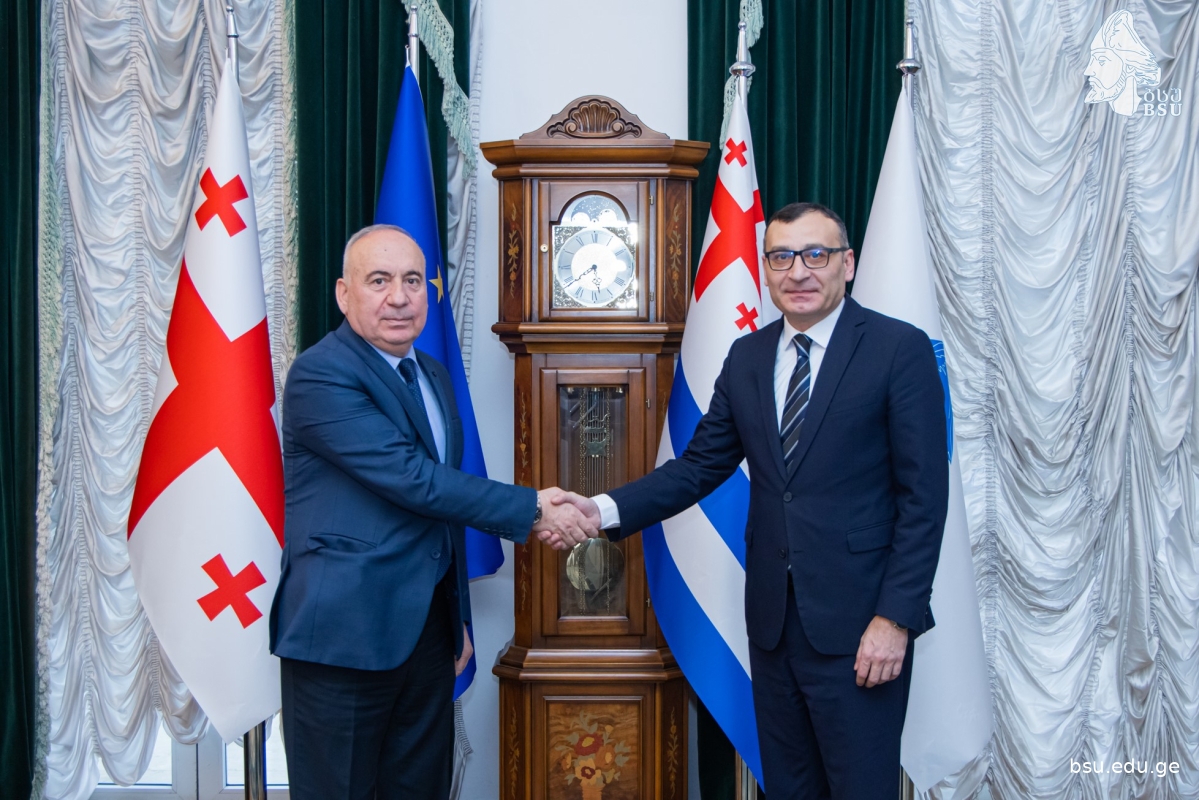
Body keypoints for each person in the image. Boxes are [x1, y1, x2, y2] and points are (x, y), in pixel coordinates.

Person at [559, 203, 949, 799]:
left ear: (847, 264)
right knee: (788, 790)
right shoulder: (748, 357)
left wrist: (895, 619)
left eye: (816, 254)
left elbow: (924, 499)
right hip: (772, 630)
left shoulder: (899, 349)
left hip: (861, 629)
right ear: (766, 270)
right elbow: (697, 467)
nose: (799, 271)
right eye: (782, 257)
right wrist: (600, 510)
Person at [269, 224, 597, 799]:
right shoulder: (321, 375)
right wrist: (532, 507)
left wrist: (455, 619)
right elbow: (414, 481)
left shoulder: (433, 374)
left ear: (430, 291)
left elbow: (442, 511)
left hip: (424, 635)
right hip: (344, 639)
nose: (399, 297)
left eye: (413, 281)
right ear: (344, 294)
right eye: (379, 281)